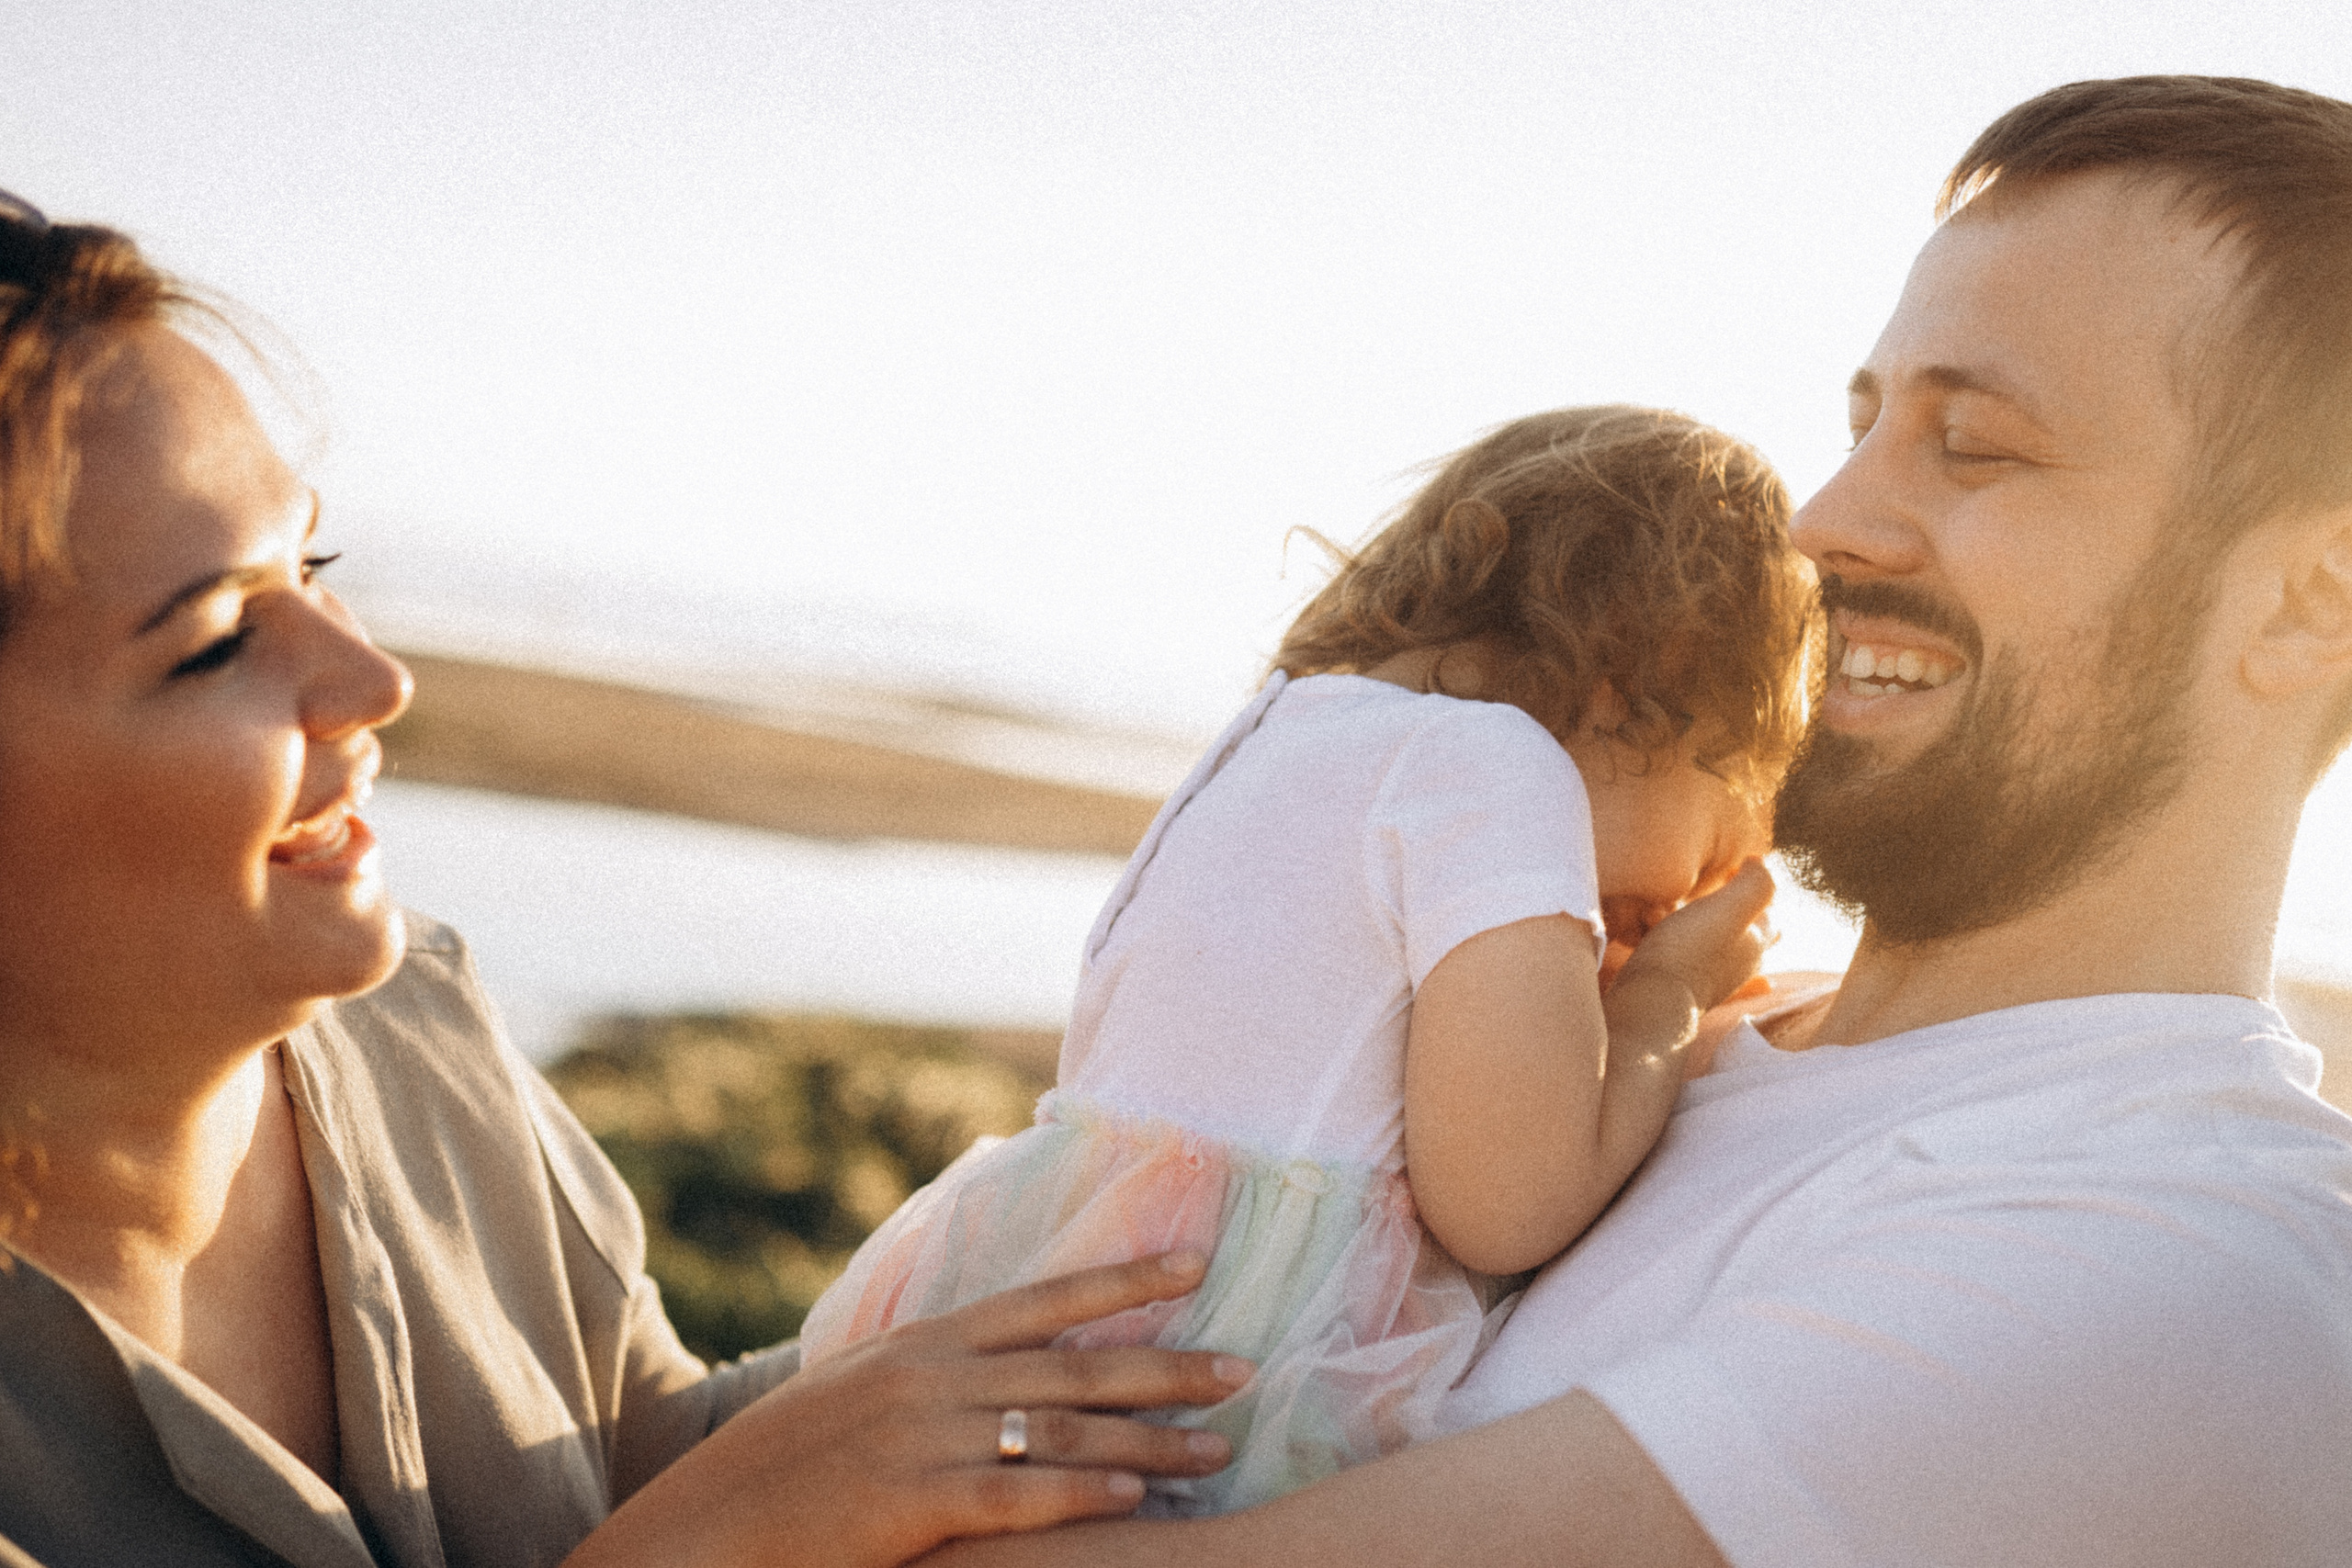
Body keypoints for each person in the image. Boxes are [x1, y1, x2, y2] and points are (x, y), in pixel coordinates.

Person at [928, 73, 2352, 1568]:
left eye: (1976, 443)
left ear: (2315, 597)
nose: (1818, 522)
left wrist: (767, 1499)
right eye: (1863, 423)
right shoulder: (1665, 1026)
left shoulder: (2177, 1263)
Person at [0, 197, 1257, 1568]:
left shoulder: (417, 1026)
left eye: (314, 566)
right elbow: (692, 1521)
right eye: (223, 637)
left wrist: (1147, 1256)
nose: (375, 682)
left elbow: (637, 1446)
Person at [797, 408, 1812, 1514]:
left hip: (1048, 1279)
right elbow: (1510, 1208)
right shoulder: (1506, 770)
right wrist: (1666, 995)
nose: (1705, 885)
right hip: (1225, 1364)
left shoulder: (1273, 729)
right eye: (1728, 820)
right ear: (1649, 683)